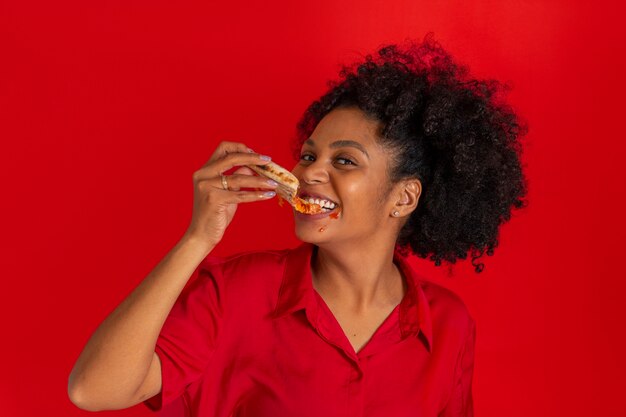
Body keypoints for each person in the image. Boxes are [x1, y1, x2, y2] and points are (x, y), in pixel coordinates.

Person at [68, 34, 528, 416]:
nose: (308, 172)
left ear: (403, 197)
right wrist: (197, 238)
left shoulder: (450, 325)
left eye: (344, 160)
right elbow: (93, 390)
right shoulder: (233, 292)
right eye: (309, 155)